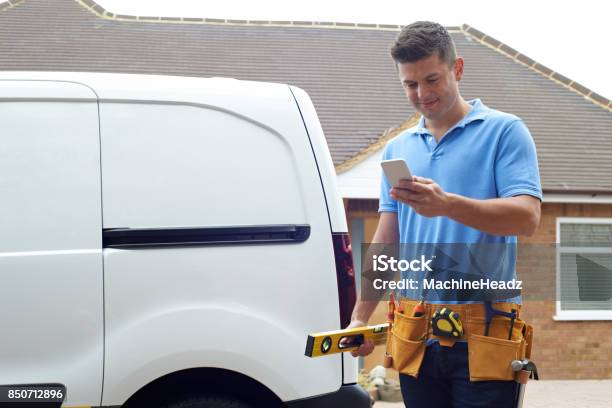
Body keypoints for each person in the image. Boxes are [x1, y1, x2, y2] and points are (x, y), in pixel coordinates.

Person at [346, 21, 542, 408]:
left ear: (458, 69)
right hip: (416, 334)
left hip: (483, 335)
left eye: (432, 79)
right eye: (410, 84)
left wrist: (448, 204)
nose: (422, 93)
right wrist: (359, 317)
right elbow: (388, 240)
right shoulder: (398, 150)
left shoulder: (504, 132)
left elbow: (527, 217)